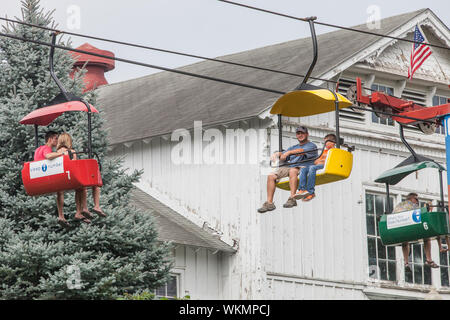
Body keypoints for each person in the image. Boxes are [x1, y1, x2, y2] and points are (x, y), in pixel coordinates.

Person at [257, 125, 317, 213]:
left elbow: (301, 151)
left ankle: (292, 198)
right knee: (271, 176)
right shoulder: (293, 147)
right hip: (291, 166)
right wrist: (276, 154)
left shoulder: (311, 145)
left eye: (302, 133)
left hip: (304, 167)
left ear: (307, 134)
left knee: (293, 171)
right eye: (298, 133)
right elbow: (283, 154)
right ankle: (269, 203)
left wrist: (288, 152)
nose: (300, 135)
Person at [57, 132, 106, 222]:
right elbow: (74, 165)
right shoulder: (71, 152)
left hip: (62, 179)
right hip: (71, 177)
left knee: (79, 189)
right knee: (90, 185)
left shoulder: (56, 153)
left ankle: (79, 212)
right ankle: (89, 207)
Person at [393, 192, 439, 270]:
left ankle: (406, 262)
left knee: (405, 241)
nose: (417, 201)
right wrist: (427, 209)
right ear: (411, 198)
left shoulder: (399, 205)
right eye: (416, 199)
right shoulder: (412, 205)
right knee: (426, 237)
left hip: (399, 228)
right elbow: (420, 214)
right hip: (410, 227)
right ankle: (429, 259)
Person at [294, 133, 336, 202]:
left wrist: (321, 160)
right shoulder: (324, 151)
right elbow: (316, 161)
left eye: (326, 142)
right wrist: (321, 160)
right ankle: (302, 189)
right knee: (304, 168)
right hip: (318, 165)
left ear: (332, 142)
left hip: (327, 165)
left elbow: (329, 160)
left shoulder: (334, 151)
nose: (324, 144)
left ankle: (311, 192)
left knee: (312, 168)